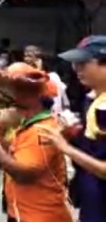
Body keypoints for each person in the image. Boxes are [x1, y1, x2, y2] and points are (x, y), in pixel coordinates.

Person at [0, 63, 72, 222]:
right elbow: (14, 153)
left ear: (26, 96)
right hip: (22, 212)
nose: (5, 98)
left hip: (40, 217)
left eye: (10, 91)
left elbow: (24, 174)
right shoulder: (26, 125)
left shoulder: (41, 130)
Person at [37, 37, 106, 222]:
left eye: (83, 63)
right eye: (75, 64)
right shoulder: (92, 99)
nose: (76, 70)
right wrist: (72, 135)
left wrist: (66, 149)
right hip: (91, 200)